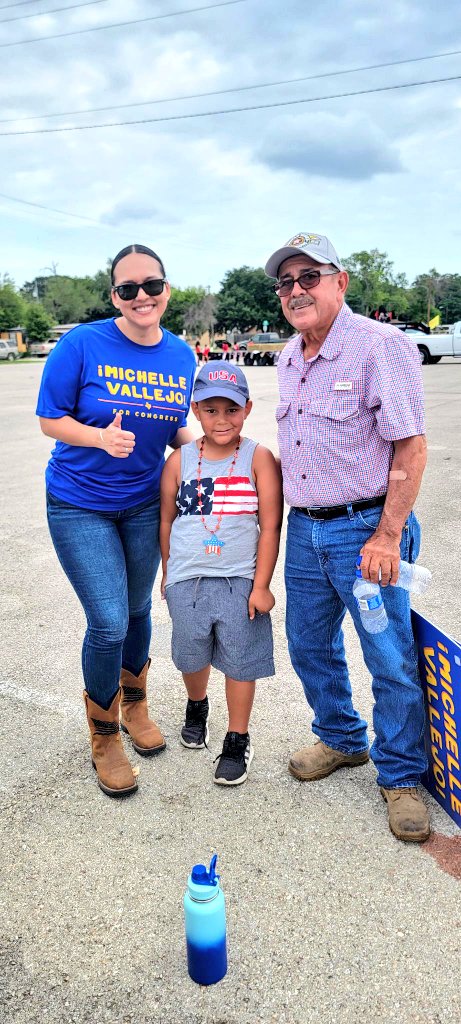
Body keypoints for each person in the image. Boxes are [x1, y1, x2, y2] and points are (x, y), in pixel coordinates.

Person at [264, 231, 430, 842]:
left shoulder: (379, 346)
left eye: (310, 276)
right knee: (308, 645)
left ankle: (403, 776)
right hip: (305, 532)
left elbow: (411, 445)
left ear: (341, 282)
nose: (296, 290)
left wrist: (388, 536)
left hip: (366, 531)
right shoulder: (289, 356)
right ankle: (340, 737)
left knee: (387, 656)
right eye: (286, 282)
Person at [36, 244, 196, 798]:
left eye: (151, 286)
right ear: (114, 297)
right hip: (79, 501)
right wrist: (99, 436)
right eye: (127, 289)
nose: (141, 297)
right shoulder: (82, 343)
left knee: (136, 609)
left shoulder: (181, 356)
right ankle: (104, 733)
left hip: (145, 502)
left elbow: (174, 427)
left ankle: (135, 705)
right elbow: (48, 419)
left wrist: (211, 452)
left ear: (166, 291)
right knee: (107, 620)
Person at [160, 361, 283, 786]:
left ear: (247, 408)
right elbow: (166, 520)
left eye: (231, 409)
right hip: (187, 580)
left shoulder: (258, 458)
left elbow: (270, 524)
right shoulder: (179, 461)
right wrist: (167, 573)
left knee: (240, 660)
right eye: (210, 410)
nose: (221, 419)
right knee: (191, 653)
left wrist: (262, 584)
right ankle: (197, 704)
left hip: (240, 580)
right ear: (195, 410)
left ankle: (237, 737)